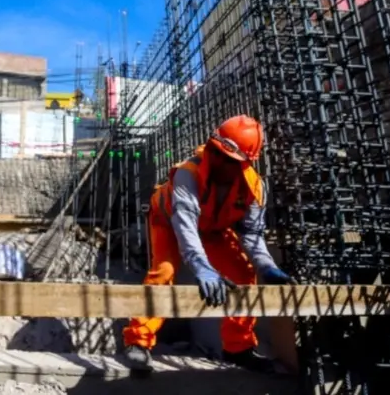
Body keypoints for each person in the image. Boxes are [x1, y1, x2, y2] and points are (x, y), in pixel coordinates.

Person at [121, 115, 294, 373]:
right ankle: (138, 341)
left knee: (243, 273)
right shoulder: (188, 173)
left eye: (229, 159)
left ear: (245, 162)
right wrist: (202, 267)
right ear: (212, 146)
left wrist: (267, 266)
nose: (220, 162)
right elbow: (185, 224)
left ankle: (238, 347)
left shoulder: (255, 188)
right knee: (164, 272)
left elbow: (251, 234)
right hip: (167, 221)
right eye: (217, 152)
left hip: (213, 228)